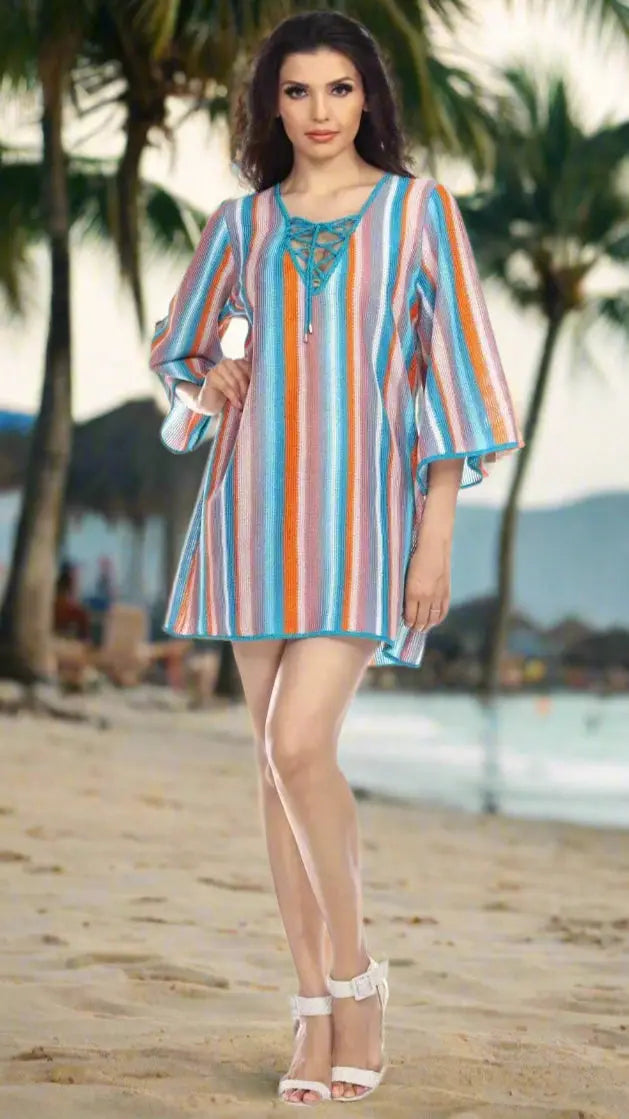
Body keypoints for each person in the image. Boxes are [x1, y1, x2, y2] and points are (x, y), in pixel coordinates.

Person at [149, 11, 524, 1107]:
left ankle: (359, 983)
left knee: (299, 742)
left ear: (370, 101)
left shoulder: (418, 213)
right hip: (248, 516)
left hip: (364, 520)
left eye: (339, 91)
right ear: (272, 105)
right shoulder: (241, 225)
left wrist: (435, 531)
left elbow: (454, 370)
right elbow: (180, 347)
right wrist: (207, 381)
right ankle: (309, 1010)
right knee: (271, 765)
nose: (319, 113)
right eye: (297, 92)